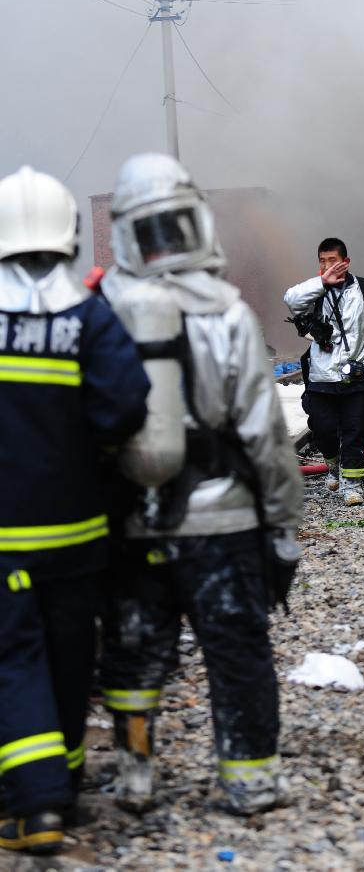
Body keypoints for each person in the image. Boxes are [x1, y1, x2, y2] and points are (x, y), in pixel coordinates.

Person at [99, 153, 304, 816]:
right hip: (226, 522)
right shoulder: (229, 314)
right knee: (237, 650)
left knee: (133, 653)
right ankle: (249, 782)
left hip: (137, 520)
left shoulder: (103, 315)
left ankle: (135, 776)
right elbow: (263, 433)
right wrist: (281, 527)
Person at [0, 167, 149, 854]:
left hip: (6, 537)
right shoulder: (89, 314)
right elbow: (125, 405)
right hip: (79, 533)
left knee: (13, 659)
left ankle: (34, 808)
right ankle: (63, 785)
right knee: (67, 657)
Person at [284, 237, 364, 507]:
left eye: (333, 261)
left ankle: (352, 486)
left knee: (355, 430)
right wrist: (321, 283)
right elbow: (290, 300)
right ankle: (333, 463)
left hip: (359, 375)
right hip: (321, 377)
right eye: (323, 262)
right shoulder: (313, 292)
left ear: (346, 262)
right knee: (323, 429)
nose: (328, 266)